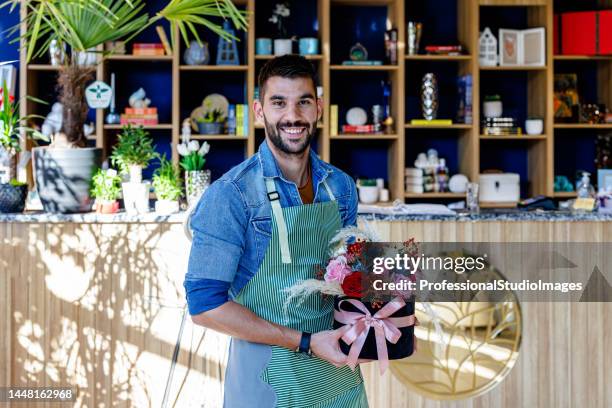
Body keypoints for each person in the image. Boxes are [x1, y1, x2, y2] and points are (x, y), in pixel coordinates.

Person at [184, 55, 368, 407]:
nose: (293, 116)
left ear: (319, 108)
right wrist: (304, 341)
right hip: (268, 380)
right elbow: (204, 306)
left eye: (303, 101)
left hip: (338, 377)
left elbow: (349, 279)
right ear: (259, 111)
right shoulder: (232, 195)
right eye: (278, 102)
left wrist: (391, 326)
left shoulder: (341, 187)